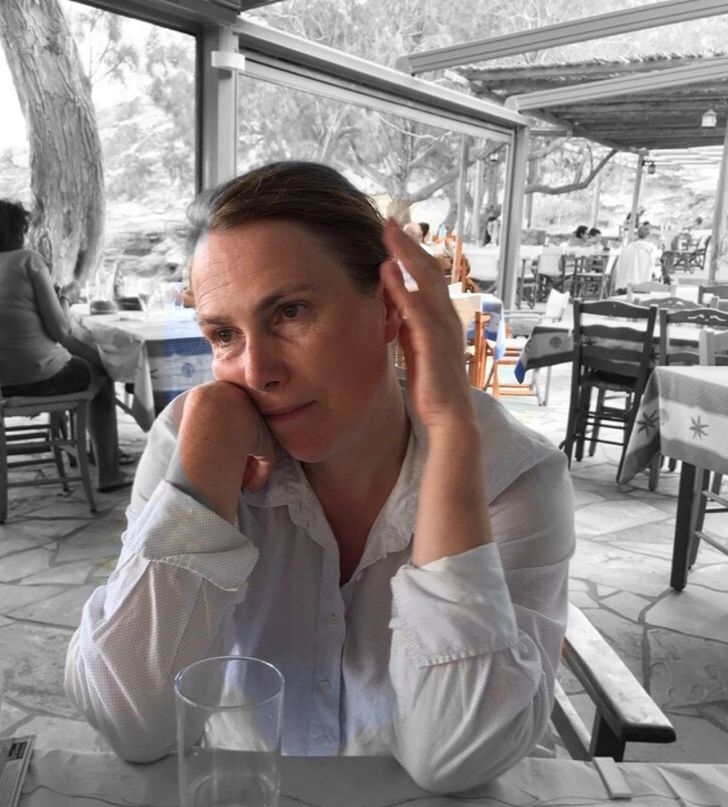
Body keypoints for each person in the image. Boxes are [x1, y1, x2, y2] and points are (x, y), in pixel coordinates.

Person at [64, 162, 574, 793]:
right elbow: (129, 719)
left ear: (391, 310)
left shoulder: (511, 474)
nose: (257, 371)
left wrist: (447, 438)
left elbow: (456, 757)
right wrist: (204, 466)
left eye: (291, 311)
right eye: (224, 334)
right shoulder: (192, 444)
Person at [0, 199, 131, 492]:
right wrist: (66, 298)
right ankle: (108, 472)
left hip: (3, 383)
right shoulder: (27, 260)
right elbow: (59, 330)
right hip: (38, 378)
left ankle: (82, 452)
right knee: (102, 376)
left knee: (84, 363)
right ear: (17, 230)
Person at [612, 222, 659, 293]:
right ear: (648, 235)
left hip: (625, 284)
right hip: (642, 283)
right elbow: (654, 263)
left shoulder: (628, 247)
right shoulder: (650, 248)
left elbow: (619, 265)